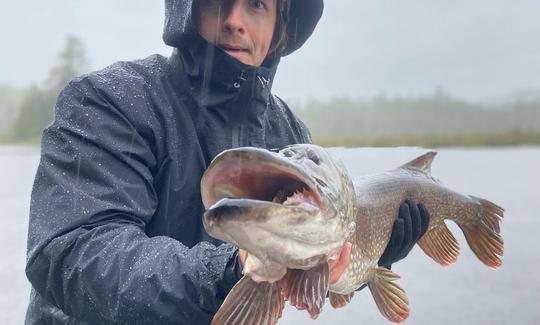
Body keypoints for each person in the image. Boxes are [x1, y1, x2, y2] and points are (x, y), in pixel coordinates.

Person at [24, 0, 429, 324]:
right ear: (188, 9)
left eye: (256, 4)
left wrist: (373, 255)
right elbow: (75, 253)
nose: (235, 20)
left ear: (280, 27)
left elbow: (316, 267)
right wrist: (230, 270)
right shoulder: (108, 101)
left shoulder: (289, 134)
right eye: (219, 1)